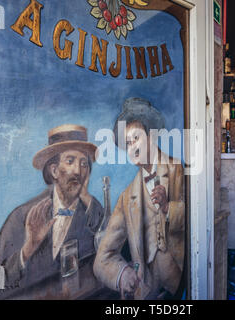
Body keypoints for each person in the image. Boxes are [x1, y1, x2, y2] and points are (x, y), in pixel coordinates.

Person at [0, 124, 106, 299]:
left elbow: (109, 256)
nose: (78, 171)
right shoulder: (22, 217)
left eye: (83, 163)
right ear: (54, 170)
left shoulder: (93, 213)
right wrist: (29, 247)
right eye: (70, 161)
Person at [93, 97, 185, 300]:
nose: (132, 146)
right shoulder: (126, 198)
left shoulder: (177, 169)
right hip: (148, 293)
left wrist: (168, 208)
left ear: (150, 137)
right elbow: (102, 259)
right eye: (127, 143)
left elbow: (196, 219)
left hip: (183, 284)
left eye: (136, 137)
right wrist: (122, 274)